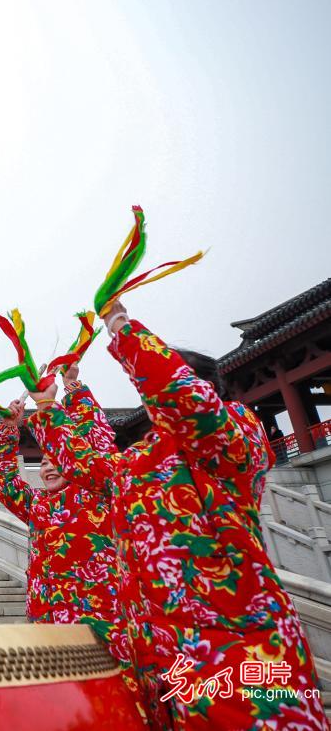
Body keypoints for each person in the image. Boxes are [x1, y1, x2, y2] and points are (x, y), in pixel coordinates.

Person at [29, 300, 327, 729]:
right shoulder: (138, 460)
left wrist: (123, 330)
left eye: (152, 380)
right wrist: (47, 409)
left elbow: (190, 406)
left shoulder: (232, 433)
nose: (147, 392)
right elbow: (87, 464)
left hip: (232, 639)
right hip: (158, 649)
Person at [0, 379, 141, 721]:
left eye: (57, 459)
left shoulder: (99, 493)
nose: (48, 466)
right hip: (48, 621)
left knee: (117, 703)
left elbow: (96, 448)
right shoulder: (36, 504)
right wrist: (6, 429)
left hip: (103, 620)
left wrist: (75, 391)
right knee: (60, 708)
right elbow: (3, 480)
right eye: (42, 463)